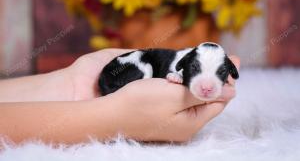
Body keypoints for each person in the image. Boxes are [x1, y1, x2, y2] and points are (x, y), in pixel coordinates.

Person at [0, 49, 239, 144]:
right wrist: (113, 116)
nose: (207, 85)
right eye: (196, 71)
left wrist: (71, 83)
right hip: (122, 73)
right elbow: (172, 72)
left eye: (219, 73)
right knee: (147, 69)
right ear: (188, 63)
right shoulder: (180, 63)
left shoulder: (193, 58)